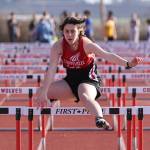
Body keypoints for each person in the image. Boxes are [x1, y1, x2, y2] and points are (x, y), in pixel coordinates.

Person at [35, 17, 143, 129]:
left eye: (73, 31)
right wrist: (44, 91)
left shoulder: (86, 44)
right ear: (63, 32)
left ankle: (100, 119)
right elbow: (51, 69)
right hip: (70, 82)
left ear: (79, 31)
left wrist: (128, 64)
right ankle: (49, 112)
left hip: (89, 80)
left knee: (84, 95)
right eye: (67, 31)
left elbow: (107, 55)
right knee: (41, 92)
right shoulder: (58, 46)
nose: (69, 35)